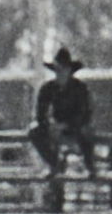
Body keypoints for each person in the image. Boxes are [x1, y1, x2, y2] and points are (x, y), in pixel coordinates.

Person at [28, 47, 97, 179]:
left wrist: (67, 125)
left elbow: (85, 113)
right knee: (34, 131)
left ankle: (90, 166)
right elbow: (40, 113)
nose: (61, 73)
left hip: (76, 125)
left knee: (87, 130)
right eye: (58, 69)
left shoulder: (80, 88)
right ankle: (55, 164)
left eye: (64, 69)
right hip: (56, 126)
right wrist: (50, 125)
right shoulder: (47, 88)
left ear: (70, 71)